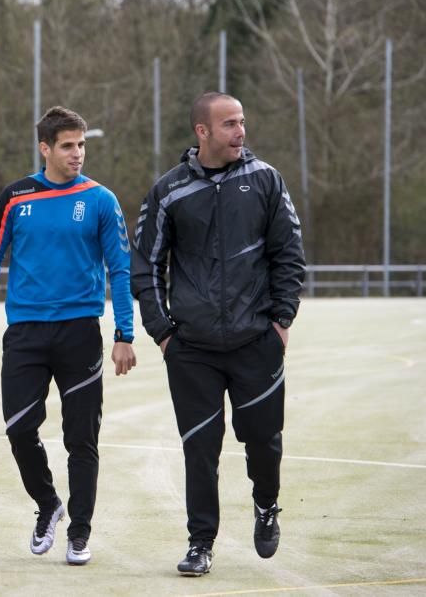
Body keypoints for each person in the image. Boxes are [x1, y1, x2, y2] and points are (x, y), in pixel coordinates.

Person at [131, 92, 305, 576]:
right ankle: (200, 542)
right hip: (192, 351)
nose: (240, 132)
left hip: (257, 343)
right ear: (201, 132)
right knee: (200, 450)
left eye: (242, 122)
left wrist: (281, 320)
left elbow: (289, 253)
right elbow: (145, 266)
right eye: (229, 124)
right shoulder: (168, 191)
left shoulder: (266, 180)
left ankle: (266, 505)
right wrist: (163, 333)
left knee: (264, 441)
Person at [0, 105, 137, 566]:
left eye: (82, 144)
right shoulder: (16, 197)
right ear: (45, 148)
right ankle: (49, 506)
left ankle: (80, 533)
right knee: (20, 429)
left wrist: (125, 332)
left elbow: (120, 268)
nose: (77, 153)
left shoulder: (101, 199)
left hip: (80, 333)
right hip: (25, 333)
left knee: (81, 439)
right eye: (68, 145)